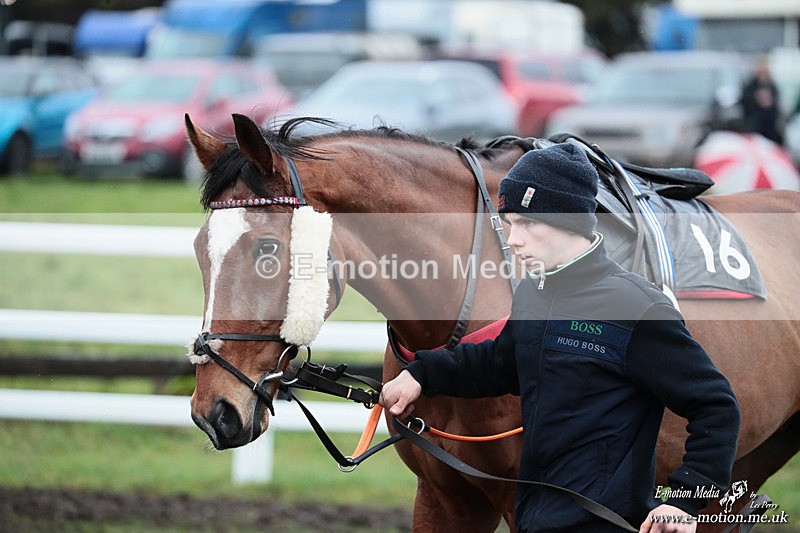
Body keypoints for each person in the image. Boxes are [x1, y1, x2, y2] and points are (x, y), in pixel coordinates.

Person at [380, 143, 741, 533]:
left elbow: (716, 406)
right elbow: (501, 362)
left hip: (606, 523)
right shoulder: (534, 293)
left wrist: (687, 501)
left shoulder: (637, 307)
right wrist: (422, 375)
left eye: (529, 223)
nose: (514, 239)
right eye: (510, 223)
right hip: (536, 519)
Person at [741, 56, 784, 145]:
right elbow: (744, 101)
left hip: (769, 128)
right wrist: (757, 99)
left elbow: (776, 103)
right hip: (754, 126)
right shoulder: (750, 86)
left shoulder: (772, 86)